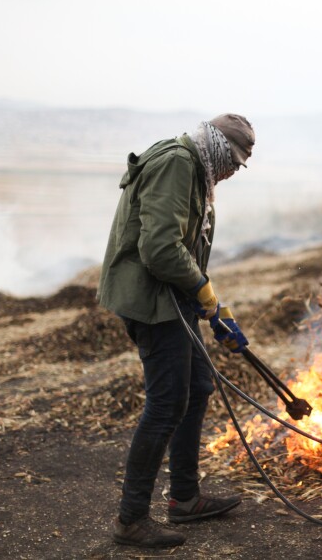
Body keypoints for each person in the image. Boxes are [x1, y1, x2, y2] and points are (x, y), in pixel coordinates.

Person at [97, 114, 255, 548]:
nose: (232, 173)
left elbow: (185, 247)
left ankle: (184, 498)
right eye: (234, 163)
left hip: (171, 297)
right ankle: (131, 520)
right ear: (220, 149)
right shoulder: (178, 163)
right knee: (167, 403)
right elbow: (161, 249)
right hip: (152, 301)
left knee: (199, 385)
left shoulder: (196, 167)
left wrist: (210, 305)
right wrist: (204, 292)